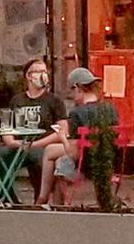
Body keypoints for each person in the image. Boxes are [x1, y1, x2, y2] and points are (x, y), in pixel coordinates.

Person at [0, 58, 68, 204]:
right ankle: (9, 199)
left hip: (43, 146)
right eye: (39, 71)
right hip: (20, 146)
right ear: (29, 76)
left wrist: (36, 144)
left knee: (38, 157)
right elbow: (7, 125)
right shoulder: (17, 100)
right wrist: (10, 141)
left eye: (45, 71)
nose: (44, 75)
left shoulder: (54, 101)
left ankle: (40, 201)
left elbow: (63, 130)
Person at [35, 67, 119, 207]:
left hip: (87, 162)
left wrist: (62, 136)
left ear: (78, 89)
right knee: (56, 157)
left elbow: (71, 149)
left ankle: (42, 197)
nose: (71, 95)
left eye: (71, 91)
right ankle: (53, 201)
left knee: (50, 151)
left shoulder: (77, 113)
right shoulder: (110, 109)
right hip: (109, 159)